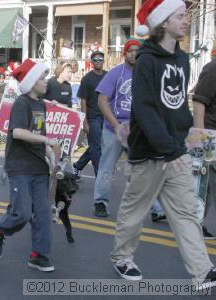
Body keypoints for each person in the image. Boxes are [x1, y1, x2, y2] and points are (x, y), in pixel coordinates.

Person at [110, 0, 216, 287]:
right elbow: (146, 110)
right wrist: (168, 150)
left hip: (175, 150)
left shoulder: (181, 60)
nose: (186, 21)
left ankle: (202, 271)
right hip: (149, 152)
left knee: (185, 211)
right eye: (180, 16)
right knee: (136, 209)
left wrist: (189, 135)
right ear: (163, 22)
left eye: (186, 16)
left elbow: (178, 105)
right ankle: (122, 258)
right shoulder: (146, 60)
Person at [0, 59, 59, 272]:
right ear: (31, 82)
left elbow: (38, 135)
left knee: (43, 214)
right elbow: (18, 132)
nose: (45, 82)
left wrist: (51, 157)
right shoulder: (22, 103)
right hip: (19, 166)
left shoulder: (40, 105)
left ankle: (38, 255)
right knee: (22, 213)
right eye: (42, 78)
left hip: (38, 168)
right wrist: (47, 142)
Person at [92, 39, 166, 220]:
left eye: (137, 51)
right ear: (124, 53)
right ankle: (101, 202)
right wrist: (117, 126)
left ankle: (156, 209)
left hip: (138, 131)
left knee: (146, 169)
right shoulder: (115, 74)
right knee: (106, 167)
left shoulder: (147, 76)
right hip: (114, 128)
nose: (134, 54)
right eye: (130, 51)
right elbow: (102, 101)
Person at [192, 58, 216, 239]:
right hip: (211, 137)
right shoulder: (212, 69)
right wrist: (201, 137)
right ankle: (193, 227)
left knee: (206, 189)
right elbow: (199, 103)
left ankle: (195, 225)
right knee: (204, 186)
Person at [73, 51, 107, 178]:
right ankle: (99, 175)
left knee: (97, 145)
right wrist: (85, 121)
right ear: (91, 62)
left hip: (106, 117)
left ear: (103, 61)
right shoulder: (87, 78)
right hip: (93, 117)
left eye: (100, 59)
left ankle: (77, 166)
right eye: (95, 59)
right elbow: (83, 100)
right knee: (97, 146)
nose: (98, 61)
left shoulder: (108, 76)